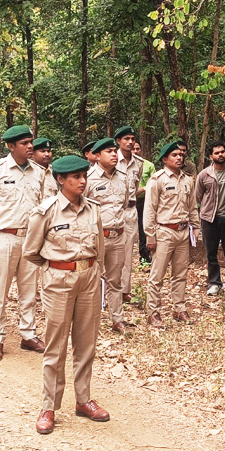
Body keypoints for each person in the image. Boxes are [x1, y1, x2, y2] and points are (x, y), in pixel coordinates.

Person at [25, 155, 109, 435]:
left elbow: (100, 247)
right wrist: (57, 269)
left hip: (88, 277)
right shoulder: (46, 211)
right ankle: (49, 406)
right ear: (60, 180)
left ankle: (83, 400)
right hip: (58, 279)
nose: (82, 181)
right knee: (56, 345)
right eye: (75, 177)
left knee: (86, 343)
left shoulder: (93, 209)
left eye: (84, 175)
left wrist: (92, 270)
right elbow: (31, 251)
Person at [0, 125, 48, 361]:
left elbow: (42, 207)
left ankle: (28, 334)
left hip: (29, 238)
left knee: (29, 290)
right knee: (0, 291)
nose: (30, 147)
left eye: (31, 142)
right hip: (3, 236)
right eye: (25, 143)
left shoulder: (38, 172)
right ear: (11, 146)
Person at [143, 141, 199, 327]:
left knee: (180, 273)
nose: (179, 158)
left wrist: (196, 228)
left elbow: (192, 206)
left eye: (181, 155)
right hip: (164, 231)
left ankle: (179, 308)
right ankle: (153, 312)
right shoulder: (157, 180)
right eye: (174, 155)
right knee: (157, 274)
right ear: (165, 159)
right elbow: (150, 209)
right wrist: (150, 235)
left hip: (183, 231)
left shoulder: (187, 179)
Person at [85, 137, 132, 333]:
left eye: (115, 151)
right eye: (109, 151)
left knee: (115, 279)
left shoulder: (123, 177)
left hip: (118, 235)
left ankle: (117, 319)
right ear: (97, 156)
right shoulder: (88, 178)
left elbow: (123, 205)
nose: (114, 154)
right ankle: (90, 320)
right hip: (97, 237)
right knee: (92, 279)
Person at [195, 141, 225, 298]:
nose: (220, 154)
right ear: (211, 156)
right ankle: (214, 283)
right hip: (210, 219)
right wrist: (207, 209)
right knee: (211, 253)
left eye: (222, 152)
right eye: (217, 153)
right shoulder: (204, 174)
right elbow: (198, 195)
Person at [114, 127, 144, 302]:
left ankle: (124, 289)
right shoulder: (110, 159)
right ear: (118, 141)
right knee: (109, 252)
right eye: (126, 138)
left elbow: (136, 184)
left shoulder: (138, 163)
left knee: (127, 252)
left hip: (130, 210)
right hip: (113, 211)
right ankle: (107, 289)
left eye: (133, 138)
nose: (131, 142)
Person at [134, 140, 155, 263]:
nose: (135, 151)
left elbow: (153, 184)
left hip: (144, 201)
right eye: (133, 149)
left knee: (143, 228)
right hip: (128, 203)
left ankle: (145, 257)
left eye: (138, 149)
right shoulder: (122, 165)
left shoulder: (148, 165)